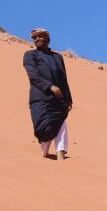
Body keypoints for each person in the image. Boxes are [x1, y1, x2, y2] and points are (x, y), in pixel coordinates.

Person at [22, 27, 73, 160]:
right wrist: (50, 86)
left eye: (40, 36)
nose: (37, 39)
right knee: (45, 127)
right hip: (40, 98)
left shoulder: (57, 57)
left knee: (61, 124)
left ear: (47, 38)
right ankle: (45, 153)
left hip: (58, 99)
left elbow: (63, 79)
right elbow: (33, 75)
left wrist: (68, 99)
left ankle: (61, 153)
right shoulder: (30, 55)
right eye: (34, 37)